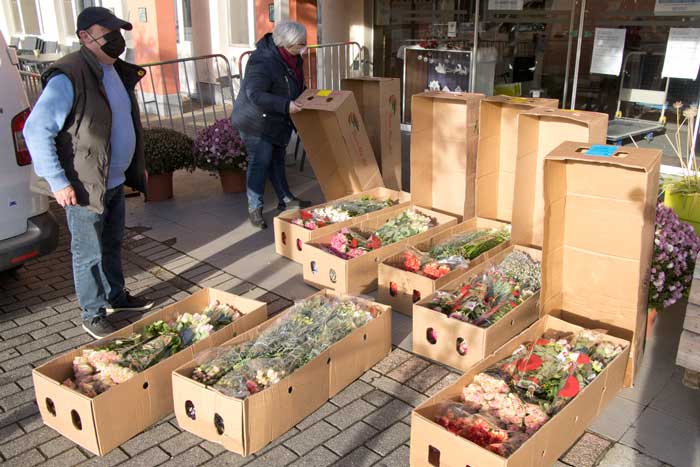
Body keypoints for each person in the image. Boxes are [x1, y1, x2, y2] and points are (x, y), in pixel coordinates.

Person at [23, 7, 153, 338]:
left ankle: (116, 297)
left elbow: (124, 123)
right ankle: (92, 313)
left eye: (119, 32)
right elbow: (36, 130)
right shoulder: (69, 74)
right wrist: (57, 181)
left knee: (111, 243)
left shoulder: (115, 70)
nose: (117, 39)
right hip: (83, 186)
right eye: (108, 33)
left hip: (113, 180)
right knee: (88, 253)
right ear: (85, 36)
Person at [231, 21, 311, 229]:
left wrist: (308, 96)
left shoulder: (293, 58)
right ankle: (254, 208)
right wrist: (286, 105)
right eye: (300, 44)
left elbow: (292, 84)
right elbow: (254, 94)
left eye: (304, 43)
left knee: (277, 159)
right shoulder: (262, 61)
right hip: (255, 120)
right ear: (285, 44)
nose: (304, 48)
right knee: (260, 162)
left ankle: (285, 199)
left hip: (276, 119)